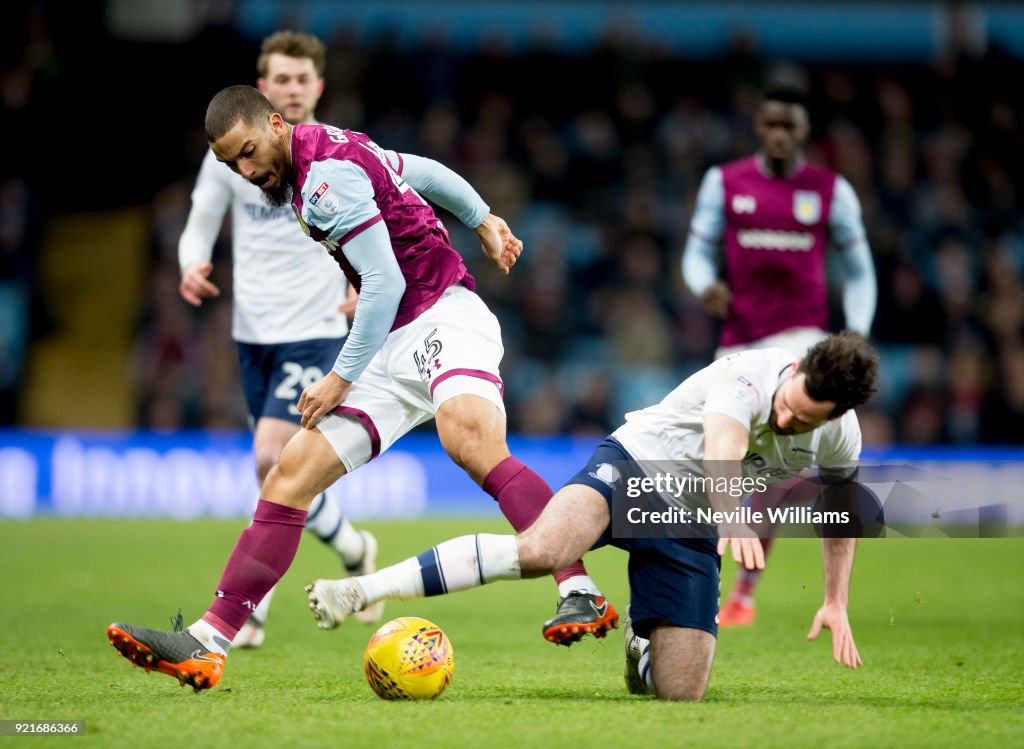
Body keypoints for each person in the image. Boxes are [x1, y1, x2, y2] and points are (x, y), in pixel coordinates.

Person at [107, 84, 611, 692]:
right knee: (291, 473)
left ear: (273, 122)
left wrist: (338, 378)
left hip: (441, 316)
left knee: (472, 444)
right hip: (393, 340)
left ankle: (579, 588)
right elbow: (420, 171)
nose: (245, 171)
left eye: (247, 153)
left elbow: (386, 283)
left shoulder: (323, 178)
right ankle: (209, 641)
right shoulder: (327, 148)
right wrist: (483, 219)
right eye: (229, 164)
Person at [306, 332, 878, 701]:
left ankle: (640, 641)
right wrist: (732, 515)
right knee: (543, 550)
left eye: (801, 423)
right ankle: (359, 590)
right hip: (637, 466)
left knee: (683, 692)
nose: (783, 423)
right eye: (787, 406)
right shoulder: (748, 376)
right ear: (797, 367)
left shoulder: (840, 437)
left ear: (838, 416)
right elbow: (721, 453)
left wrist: (835, 599)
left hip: (692, 521)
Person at [177, 31, 379, 648]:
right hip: (252, 337)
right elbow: (199, 225)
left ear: (317, 87)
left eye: (302, 80)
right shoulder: (240, 162)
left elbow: (380, 226)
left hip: (315, 330)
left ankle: (248, 608)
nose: (293, 88)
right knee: (275, 467)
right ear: (265, 90)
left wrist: (361, 283)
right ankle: (352, 544)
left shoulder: (333, 158)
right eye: (281, 80)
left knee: (272, 457)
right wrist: (192, 262)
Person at [682, 86, 877, 626]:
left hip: (802, 343)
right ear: (759, 127)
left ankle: (744, 587)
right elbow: (697, 253)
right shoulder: (724, 183)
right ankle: (704, 571)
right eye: (771, 124)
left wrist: (853, 336)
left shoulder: (830, 191)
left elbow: (860, 271)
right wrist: (703, 286)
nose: (779, 135)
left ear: (803, 132)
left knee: (774, 474)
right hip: (740, 342)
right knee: (722, 461)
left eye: (789, 126)